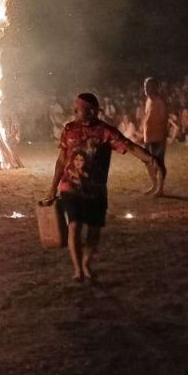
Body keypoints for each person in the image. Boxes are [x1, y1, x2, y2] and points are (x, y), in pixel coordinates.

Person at [42, 93, 156, 283]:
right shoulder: (69, 129)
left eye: (80, 109)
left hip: (95, 190)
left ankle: (86, 263)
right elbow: (62, 160)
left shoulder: (105, 132)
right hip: (70, 186)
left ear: (93, 111)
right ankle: (78, 270)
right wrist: (53, 187)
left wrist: (150, 159)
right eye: (77, 109)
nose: (75, 111)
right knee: (74, 225)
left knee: (94, 230)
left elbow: (128, 146)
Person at [140, 77, 169, 196]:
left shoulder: (159, 102)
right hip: (148, 137)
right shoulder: (148, 100)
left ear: (154, 88)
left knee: (159, 162)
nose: (145, 89)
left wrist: (161, 135)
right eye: (145, 86)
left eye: (148, 86)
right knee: (147, 161)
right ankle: (154, 184)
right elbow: (147, 117)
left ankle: (160, 189)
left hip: (158, 137)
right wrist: (143, 131)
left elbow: (163, 119)